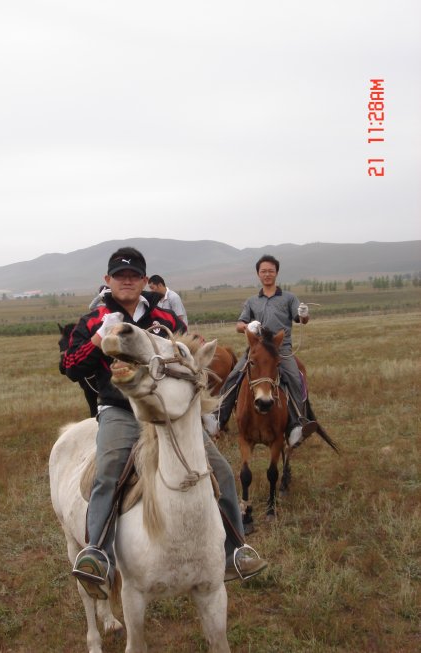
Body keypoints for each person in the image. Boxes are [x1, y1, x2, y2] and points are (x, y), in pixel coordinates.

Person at [60, 246, 267, 599]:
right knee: (109, 470)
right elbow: (70, 366)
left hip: (169, 415)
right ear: (107, 281)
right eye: (119, 276)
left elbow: (187, 350)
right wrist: (98, 340)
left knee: (221, 470)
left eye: (133, 276)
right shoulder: (92, 320)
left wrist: (196, 349)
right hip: (121, 410)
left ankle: (234, 549)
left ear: (144, 281)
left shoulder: (165, 319)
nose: (127, 281)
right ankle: (99, 554)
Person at [217, 254, 317, 448]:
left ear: (276, 273)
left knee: (295, 379)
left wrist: (304, 314)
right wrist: (248, 327)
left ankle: (296, 427)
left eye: (271, 271)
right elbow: (239, 324)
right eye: (263, 271)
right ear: (258, 274)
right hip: (255, 349)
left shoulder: (289, 298)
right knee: (232, 377)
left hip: (282, 349)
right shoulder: (252, 301)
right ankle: (218, 419)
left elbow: (301, 319)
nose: (267, 274)